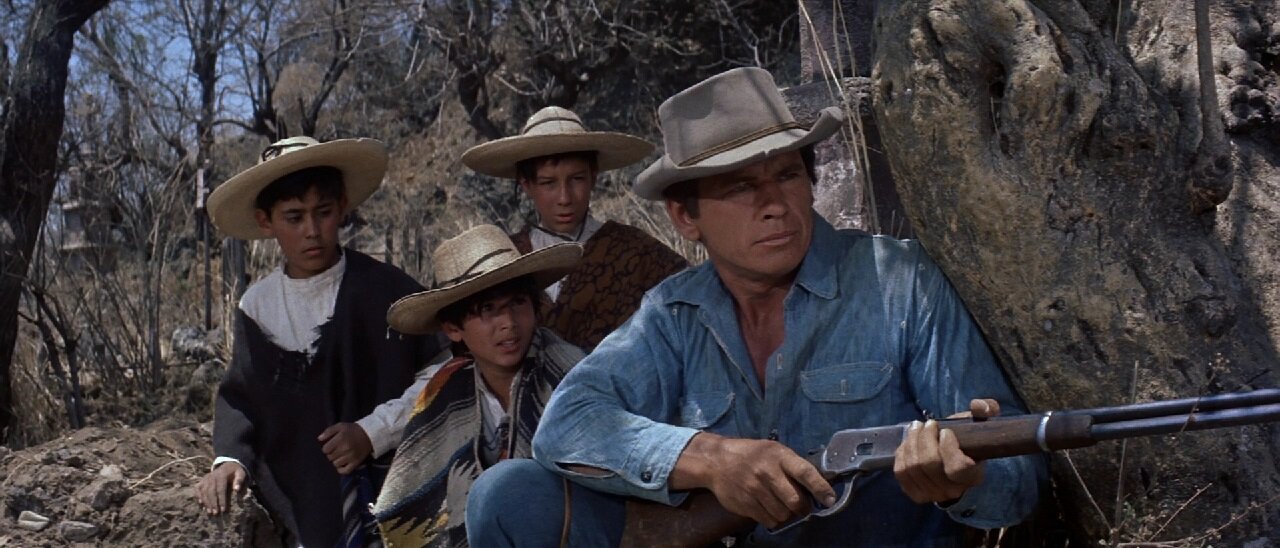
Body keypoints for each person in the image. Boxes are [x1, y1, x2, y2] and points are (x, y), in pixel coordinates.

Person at [465, 68, 1046, 546]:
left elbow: (1018, 476)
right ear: (685, 217)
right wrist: (712, 460)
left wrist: (959, 484)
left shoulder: (899, 280)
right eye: (740, 187)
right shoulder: (673, 313)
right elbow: (567, 423)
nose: (774, 204)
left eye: (787, 175)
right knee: (507, 495)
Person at [193, 136, 444, 547]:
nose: (312, 231)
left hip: (394, 483)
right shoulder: (258, 306)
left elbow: (440, 371)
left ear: (342, 208)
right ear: (265, 222)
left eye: (323, 213)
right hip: (303, 496)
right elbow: (242, 398)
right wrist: (231, 458)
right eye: (293, 218)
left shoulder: (386, 289)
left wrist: (373, 432)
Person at [369, 225, 585, 547]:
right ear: (453, 329)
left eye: (518, 303)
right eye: (487, 310)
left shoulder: (570, 374)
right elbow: (412, 499)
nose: (508, 323)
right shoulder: (446, 391)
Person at [460, 107, 688, 350]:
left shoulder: (635, 251)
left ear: (593, 177)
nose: (565, 198)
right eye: (548, 183)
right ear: (526, 185)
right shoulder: (505, 259)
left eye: (577, 179)